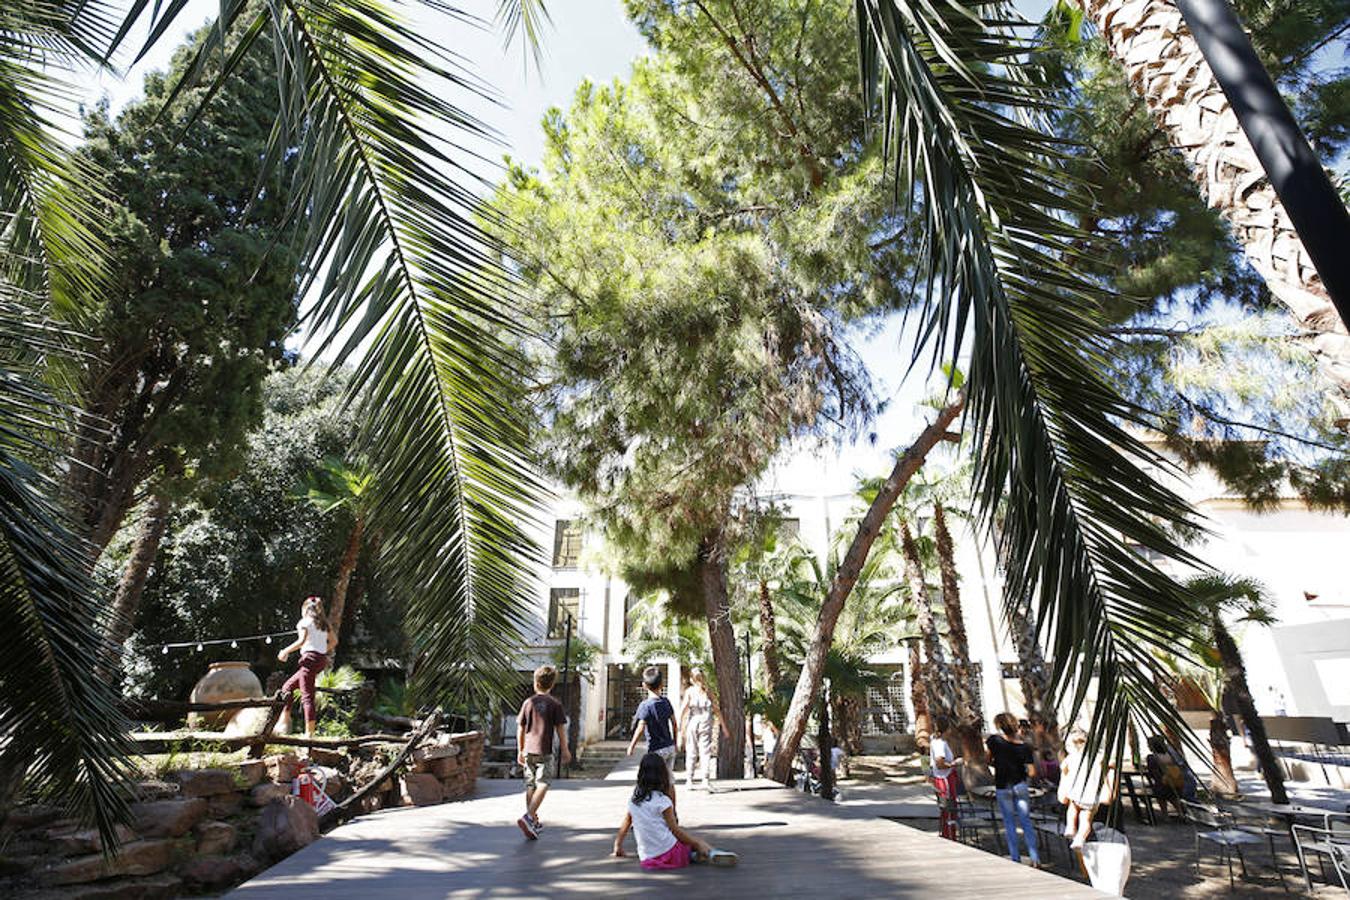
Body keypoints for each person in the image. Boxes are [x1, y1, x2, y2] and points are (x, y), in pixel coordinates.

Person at [612, 752, 738, 869]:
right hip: (670, 854)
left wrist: (618, 845)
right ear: (662, 775)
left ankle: (696, 855)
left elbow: (626, 824)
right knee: (695, 843)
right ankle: (710, 852)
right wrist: (696, 843)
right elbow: (676, 831)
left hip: (647, 857)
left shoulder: (634, 802)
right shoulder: (663, 802)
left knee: (688, 847)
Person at [515, 664, 571, 840]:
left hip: (528, 750)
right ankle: (529, 816)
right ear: (552, 684)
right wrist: (565, 749)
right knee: (544, 782)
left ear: (535, 682)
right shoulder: (555, 704)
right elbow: (560, 730)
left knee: (530, 785)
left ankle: (532, 820)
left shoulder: (528, 703)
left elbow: (520, 729)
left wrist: (520, 749)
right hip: (544, 750)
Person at [987, 712, 1041, 867]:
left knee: (1009, 823)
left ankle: (1015, 858)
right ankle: (1035, 858)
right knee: (1026, 821)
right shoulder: (1024, 747)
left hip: (1003, 786)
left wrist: (997, 764)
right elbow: (1032, 771)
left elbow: (987, 758)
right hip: (1020, 785)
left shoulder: (994, 741)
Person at [276, 595, 332, 740]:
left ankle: (309, 734)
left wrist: (285, 651)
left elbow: (301, 641)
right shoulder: (324, 624)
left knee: (307, 696)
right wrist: (323, 650)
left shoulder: (304, 622)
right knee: (287, 687)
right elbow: (334, 641)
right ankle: (284, 722)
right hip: (320, 660)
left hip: (309, 659)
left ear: (305, 609)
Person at [1058, 728, 1117, 850]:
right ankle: (1080, 838)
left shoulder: (1071, 758)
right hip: (1091, 795)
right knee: (1085, 819)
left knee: (1072, 811)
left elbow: (1063, 769)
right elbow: (1111, 763)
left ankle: (1071, 827)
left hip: (1075, 793)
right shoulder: (1097, 757)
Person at [677, 668, 727, 791]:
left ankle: (689, 780)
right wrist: (724, 726)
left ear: (691, 679)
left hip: (694, 722)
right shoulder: (707, 691)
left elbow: (683, 709)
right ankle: (705, 779)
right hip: (706, 722)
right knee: (705, 752)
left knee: (691, 751)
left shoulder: (690, 691)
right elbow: (716, 710)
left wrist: (679, 725)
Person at [628, 665, 678, 777]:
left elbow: (640, 727)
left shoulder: (645, 705)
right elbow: (674, 724)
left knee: (655, 780)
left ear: (644, 686)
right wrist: (675, 742)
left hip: (656, 749)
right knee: (669, 780)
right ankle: (669, 795)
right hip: (669, 747)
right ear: (662, 685)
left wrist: (632, 745)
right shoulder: (666, 702)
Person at [930, 716, 963, 840]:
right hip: (944, 779)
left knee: (949, 808)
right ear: (947, 729)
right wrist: (955, 763)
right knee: (948, 808)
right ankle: (948, 834)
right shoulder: (940, 744)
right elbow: (940, 763)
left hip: (946, 777)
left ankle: (949, 833)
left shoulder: (937, 742)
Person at [1144, 734, 1187, 819]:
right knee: (1173, 796)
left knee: (1160, 794)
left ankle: (1165, 814)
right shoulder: (1170, 755)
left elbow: (1153, 773)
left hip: (1163, 784)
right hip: (1176, 783)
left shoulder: (1152, 757)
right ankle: (1180, 813)